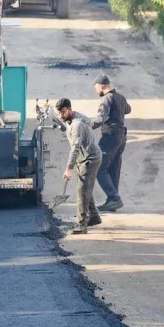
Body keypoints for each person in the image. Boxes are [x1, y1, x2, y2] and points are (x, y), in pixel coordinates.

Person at [56, 98, 102, 234]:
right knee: (85, 187)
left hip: (90, 159)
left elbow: (75, 147)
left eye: (63, 112)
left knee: (82, 190)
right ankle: (94, 217)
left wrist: (68, 168)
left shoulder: (77, 124)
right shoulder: (73, 119)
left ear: (69, 109)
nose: (61, 116)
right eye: (59, 113)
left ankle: (81, 225)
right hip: (83, 158)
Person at [91, 75, 131, 212]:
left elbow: (100, 119)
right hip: (121, 137)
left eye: (96, 88)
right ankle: (112, 201)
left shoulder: (106, 99)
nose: (96, 91)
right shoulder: (120, 97)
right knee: (114, 167)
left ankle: (114, 198)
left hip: (110, 137)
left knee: (99, 167)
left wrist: (86, 126)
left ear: (102, 86)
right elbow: (128, 110)